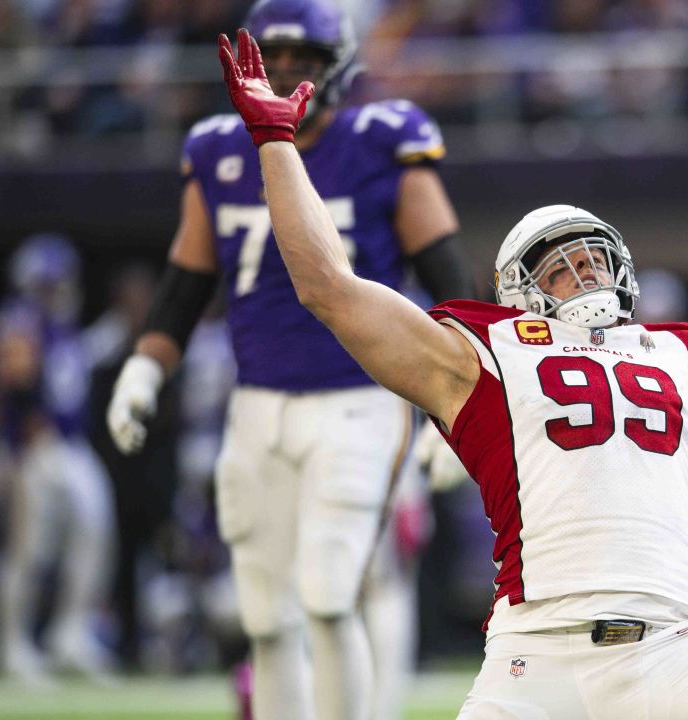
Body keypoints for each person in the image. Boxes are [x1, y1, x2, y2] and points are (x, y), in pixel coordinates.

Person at [218, 24, 688, 719]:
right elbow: (330, 289)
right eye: (560, 262)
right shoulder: (484, 355)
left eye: (594, 254)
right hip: (539, 662)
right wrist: (278, 142)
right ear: (519, 290)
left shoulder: (681, 357)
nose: (585, 265)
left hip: (678, 647)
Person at [105, 1, 474, 718]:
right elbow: (187, 282)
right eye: (273, 58)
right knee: (266, 619)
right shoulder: (216, 147)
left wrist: (454, 407)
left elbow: (452, 286)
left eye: (304, 60)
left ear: (339, 68)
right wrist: (145, 367)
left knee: (331, 598)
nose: (285, 74)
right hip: (257, 402)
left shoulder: (380, 139)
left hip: (360, 397)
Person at [0, 234, 116, 682]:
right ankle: (11, 645)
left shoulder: (61, 325)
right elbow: (13, 375)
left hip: (70, 444)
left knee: (94, 533)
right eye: (53, 282)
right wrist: (20, 425)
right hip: (35, 446)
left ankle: (71, 634)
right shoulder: (20, 320)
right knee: (28, 550)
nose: (62, 289)